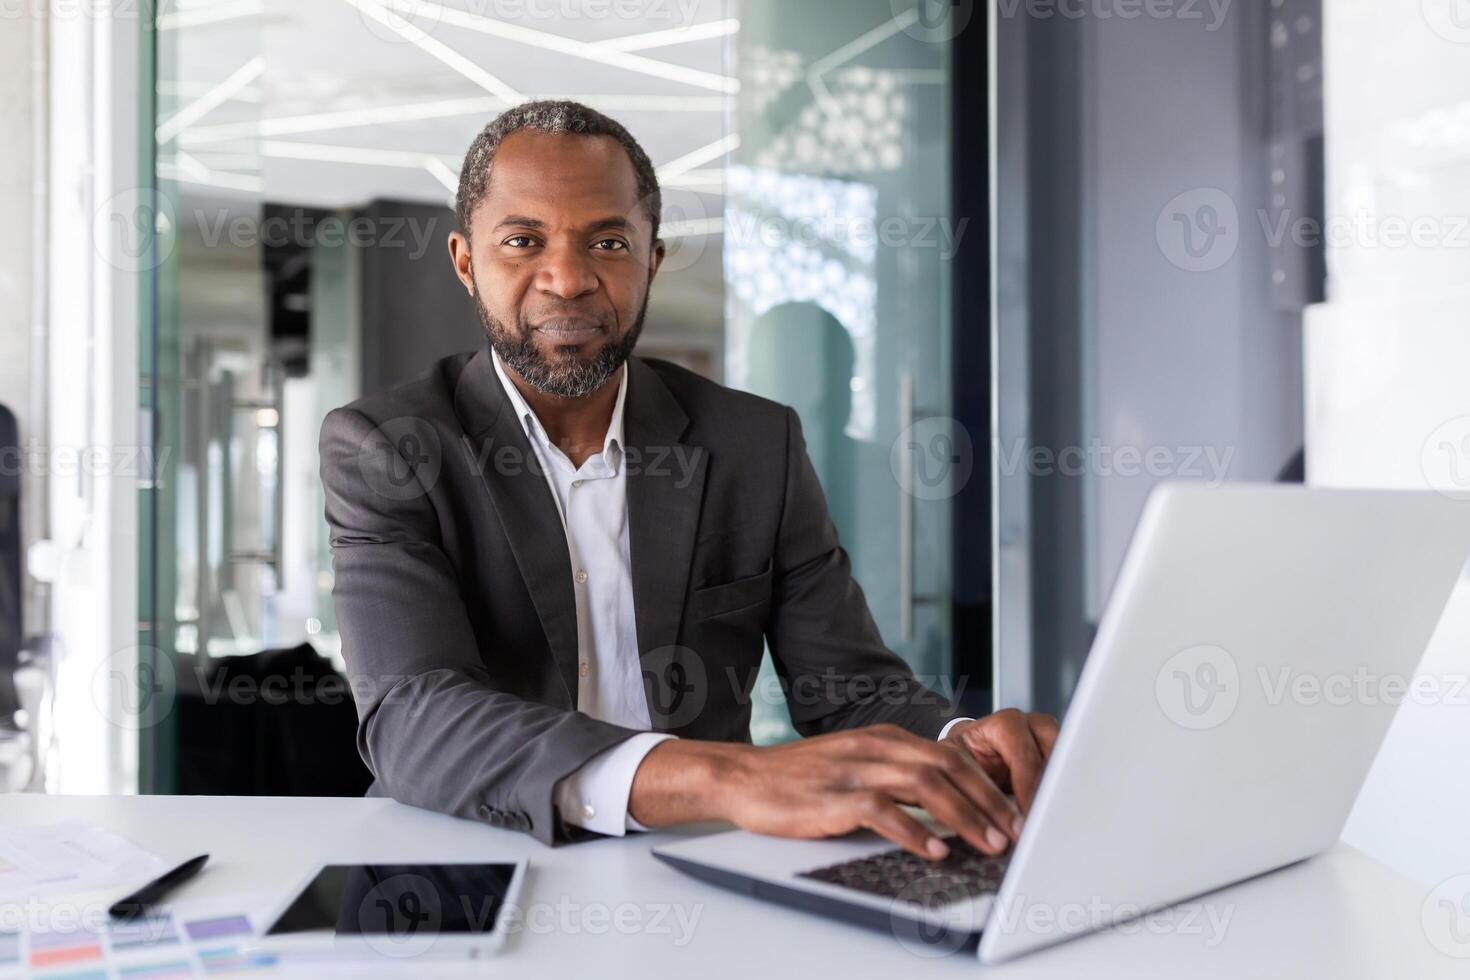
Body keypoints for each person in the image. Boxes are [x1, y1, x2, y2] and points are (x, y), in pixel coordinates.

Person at [319, 101, 1057, 860]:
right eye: (523, 240)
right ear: (467, 263)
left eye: (608, 241)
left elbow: (848, 690)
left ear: (652, 261)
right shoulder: (387, 446)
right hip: (471, 855)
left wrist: (959, 742)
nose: (568, 279)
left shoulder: (753, 442)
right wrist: (725, 778)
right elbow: (413, 715)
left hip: (698, 863)